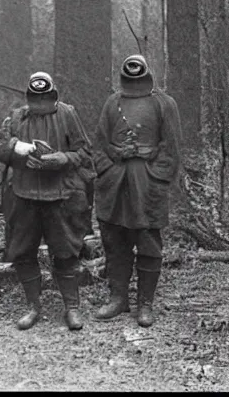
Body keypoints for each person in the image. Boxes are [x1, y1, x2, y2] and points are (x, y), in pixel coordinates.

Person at [0, 71, 94, 331]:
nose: (41, 104)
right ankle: (33, 305)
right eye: (36, 99)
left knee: (66, 253)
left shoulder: (68, 114)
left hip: (60, 195)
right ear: (29, 98)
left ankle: (72, 307)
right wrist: (15, 147)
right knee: (23, 252)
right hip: (24, 195)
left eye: (46, 98)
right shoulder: (16, 118)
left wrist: (63, 159)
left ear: (54, 96)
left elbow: (85, 151)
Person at [93, 54, 181, 327]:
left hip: (147, 186)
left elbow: (172, 149)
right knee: (115, 242)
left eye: (139, 77)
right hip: (115, 186)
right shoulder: (112, 103)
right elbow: (99, 145)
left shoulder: (163, 104)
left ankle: (145, 304)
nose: (134, 82)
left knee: (148, 243)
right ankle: (118, 299)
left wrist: (153, 172)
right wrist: (115, 159)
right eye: (130, 77)